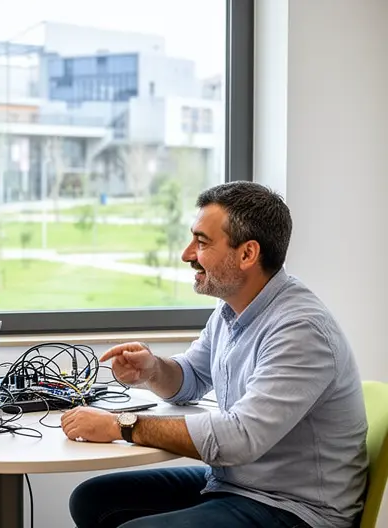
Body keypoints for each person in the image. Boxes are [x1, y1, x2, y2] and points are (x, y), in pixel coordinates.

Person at [62, 181, 368, 528]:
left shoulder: (300, 330)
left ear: (247, 254)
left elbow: (240, 438)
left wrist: (121, 426)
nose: (187, 254)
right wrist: (153, 370)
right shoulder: (232, 310)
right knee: (92, 501)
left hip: (295, 508)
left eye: (202, 242)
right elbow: (191, 377)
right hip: (236, 484)